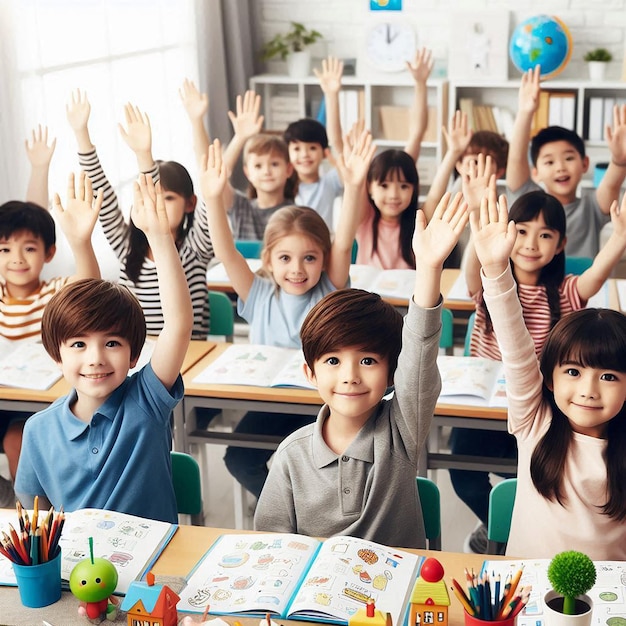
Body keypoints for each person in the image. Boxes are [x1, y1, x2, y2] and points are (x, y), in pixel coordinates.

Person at [254, 191, 469, 548]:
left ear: (392, 372)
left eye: (367, 361)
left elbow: (420, 353)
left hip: (392, 595)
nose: (350, 376)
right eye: (333, 361)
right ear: (310, 373)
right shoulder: (291, 454)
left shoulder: (402, 430)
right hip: (314, 599)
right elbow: (272, 546)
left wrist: (429, 269)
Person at [451, 178, 626, 553]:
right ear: (552, 377)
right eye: (574, 372)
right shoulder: (538, 422)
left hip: (609, 600)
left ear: (560, 243)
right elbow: (518, 350)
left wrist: (619, 238)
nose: (589, 389)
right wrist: (494, 266)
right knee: (463, 465)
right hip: (504, 405)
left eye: (608, 376)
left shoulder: (563, 291)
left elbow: (594, 276)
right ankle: (495, 524)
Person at [199, 131, 376, 499]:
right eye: (285, 258)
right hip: (274, 405)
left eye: (309, 258)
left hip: (325, 406)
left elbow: (343, 238)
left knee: (320, 466)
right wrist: (214, 198)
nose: (297, 269)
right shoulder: (258, 291)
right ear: (268, 260)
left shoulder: (330, 286)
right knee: (239, 458)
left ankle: (316, 510)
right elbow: (225, 249)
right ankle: (291, 513)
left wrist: (355, 184)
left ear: (323, 259)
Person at [15, 174, 193, 524]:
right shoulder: (38, 430)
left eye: (112, 343)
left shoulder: (147, 401)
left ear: (134, 355)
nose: (95, 358)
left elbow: (178, 324)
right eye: (78, 345)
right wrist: (80, 243)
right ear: (56, 354)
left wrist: (158, 238)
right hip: (77, 573)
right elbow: (37, 522)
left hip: (151, 565)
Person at [66, 89, 214, 338]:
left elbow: (211, 185)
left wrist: (145, 156)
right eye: (147, 200)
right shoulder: (128, 250)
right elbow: (104, 197)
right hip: (136, 356)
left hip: (186, 355)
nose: (157, 206)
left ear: (190, 204)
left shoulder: (196, 248)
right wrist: (82, 135)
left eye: (168, 198)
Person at [0, 170, 102, 506]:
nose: (16, 258)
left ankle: (29, 516)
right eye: (4, 249)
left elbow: (87, 288)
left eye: (29, 248)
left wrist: (82, 241)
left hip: (40, 403)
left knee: (18, 438)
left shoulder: (54, 292)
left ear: (49, 253)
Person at [507, 65, 626, 258]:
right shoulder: (527, 199)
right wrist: (525, 112)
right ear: (535, 171)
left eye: (569, 158)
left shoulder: (592, 207)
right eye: (549, 162)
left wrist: (620, 162)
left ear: (585, 164)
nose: (561, 167)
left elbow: (612, 183)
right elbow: (516, 158)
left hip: (581, 286)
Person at [355, 49, 436, 269]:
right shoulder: (365, 215)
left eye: (403, 185)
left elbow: (417, 131)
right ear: (370, 187)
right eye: (384, 185)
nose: (393, 194)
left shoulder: (416, 221)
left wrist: (420, 84)